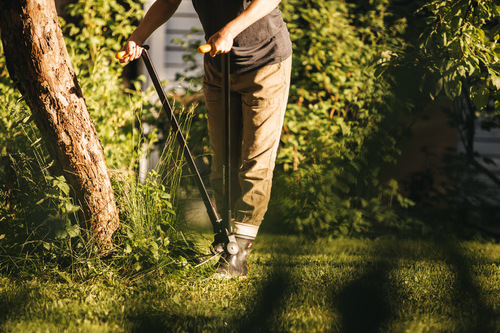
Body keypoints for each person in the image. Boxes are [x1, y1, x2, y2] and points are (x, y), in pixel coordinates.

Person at [119, 0, 292, 277]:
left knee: (254, 161)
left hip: (266, 63)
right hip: (218, 65)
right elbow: (167, 1)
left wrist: (230, 30)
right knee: (222, 163)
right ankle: (226, 241)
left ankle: (238, 254)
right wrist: (138, 37)